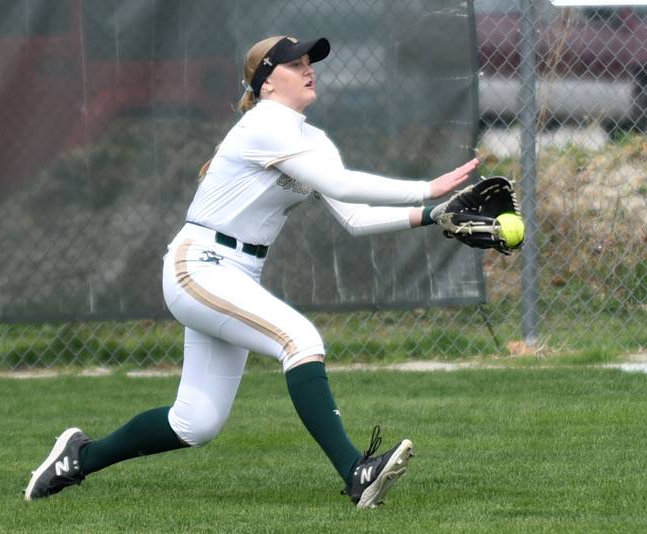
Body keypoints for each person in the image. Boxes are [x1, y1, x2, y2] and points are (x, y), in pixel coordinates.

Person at [24, 35, 479, 508]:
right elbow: (341, 183)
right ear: (265, 84)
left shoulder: (312, 139)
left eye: (309, 62)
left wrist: (435, 215)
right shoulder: (263, 124)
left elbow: (354, 216)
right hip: (198, 264)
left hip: (236, 272)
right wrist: (426, 189)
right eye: (294, 63)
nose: (308, 69)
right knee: (299, 340)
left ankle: (77, 457)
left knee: (195, 423)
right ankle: (356, 471)